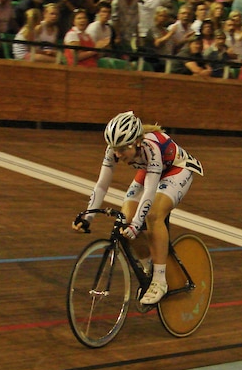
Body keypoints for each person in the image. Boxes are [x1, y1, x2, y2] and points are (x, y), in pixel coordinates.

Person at [72, 111, 204, 305]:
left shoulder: (151, 148)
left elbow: (150, 190)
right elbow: (101, 185)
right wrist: (87, 217)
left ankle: (159, 281)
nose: (117, 154)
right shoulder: (114, 150)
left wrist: (136, 224)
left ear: (137, 142)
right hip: (149, 169)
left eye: (122, 149)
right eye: (114, 148)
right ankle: (148, 267)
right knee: (123, 221)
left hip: (177, 169)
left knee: (152, 215)